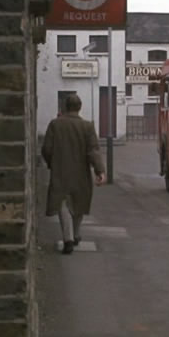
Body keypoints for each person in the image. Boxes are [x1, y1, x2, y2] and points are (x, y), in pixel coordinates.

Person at [42, 94, 106, 254]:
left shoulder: (55, 125)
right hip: (81, 172)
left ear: (65, 107)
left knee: (63, 204)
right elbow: (93, 151)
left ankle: (68, 238)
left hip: (60, 171)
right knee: (79, 203)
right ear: (80, 107)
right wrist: (100, 171)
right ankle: (75, 234)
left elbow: (46, 149)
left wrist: (52, 163)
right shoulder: (87, 127)